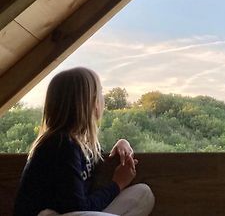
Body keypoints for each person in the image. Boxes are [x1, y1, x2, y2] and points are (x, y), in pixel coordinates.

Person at [14, 67, 155, 216]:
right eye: (100, 92)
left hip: (77, 212)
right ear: (89, 101)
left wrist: (122, 143)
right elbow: (77, 208)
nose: (103, 98)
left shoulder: (83, 144)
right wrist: (117, 184)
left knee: (143, 194)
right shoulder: (59, 144)